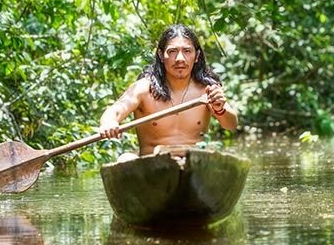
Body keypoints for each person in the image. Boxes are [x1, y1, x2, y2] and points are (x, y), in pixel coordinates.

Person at [98, 24, 237, 158]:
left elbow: (231, 125)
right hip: (153, 167)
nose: (180, 59)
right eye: (172, 52)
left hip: (193, 168)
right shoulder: (144, 89)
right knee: (125, 158)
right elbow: (114, 111)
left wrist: (220, 109)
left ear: (197, 56)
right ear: (160, 55)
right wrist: (109, 123)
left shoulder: (206, 90)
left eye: (187, 51)